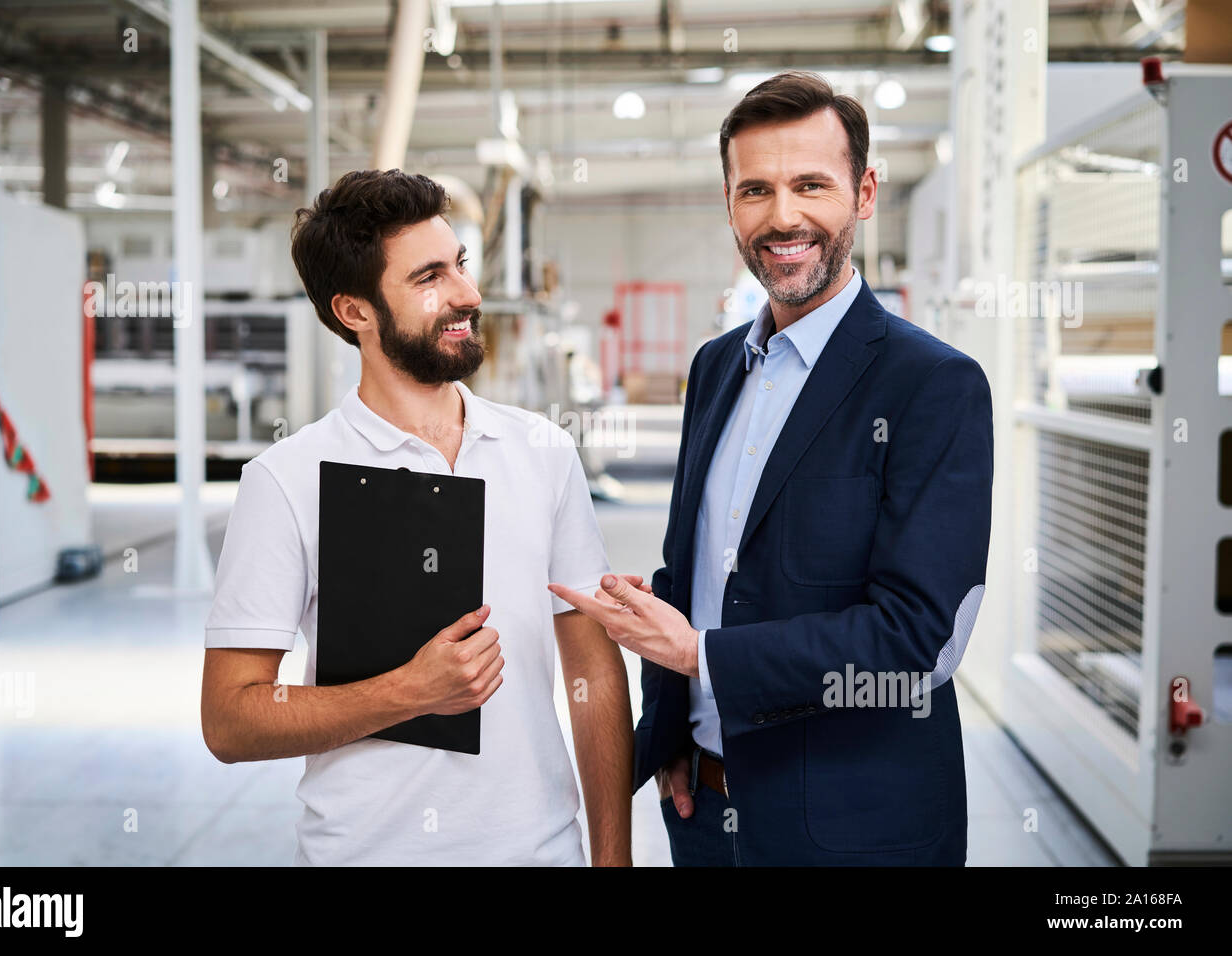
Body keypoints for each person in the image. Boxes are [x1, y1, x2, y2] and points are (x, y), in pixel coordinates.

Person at [549, 72, 993, 865]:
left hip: (855, 832)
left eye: (810, 185)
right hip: (707, 810)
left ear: (863, 193)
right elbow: (687, 576)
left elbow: (919, 640)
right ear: (728, 201)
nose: (782, 216)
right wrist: (670, 730)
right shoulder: (717, 369)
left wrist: (701, 658)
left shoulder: (932, 385)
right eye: (755, 189)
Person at [202, 169, 633, 866]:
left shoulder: (544, 452)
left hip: (540, 851)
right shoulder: (286, 480)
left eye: (460, 264)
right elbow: (228, 718)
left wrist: (614, 860)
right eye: (430, 276)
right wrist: (410, 690)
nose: (467, 293)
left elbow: (593, 669)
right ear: (355, 311)